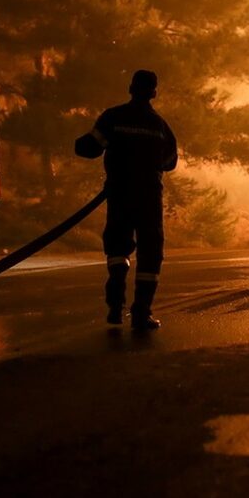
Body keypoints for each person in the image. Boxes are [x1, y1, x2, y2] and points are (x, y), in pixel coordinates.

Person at [75, 69, 177, 329]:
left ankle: (115, 306)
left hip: (119, 193)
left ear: (130, 88)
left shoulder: (113, 117)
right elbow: (170, 162)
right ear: (154, 93)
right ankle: (142, 312)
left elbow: (89, 148)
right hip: (149, 196)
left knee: (118, 247)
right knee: (150, 251)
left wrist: (79, 143)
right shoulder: (160, 125)